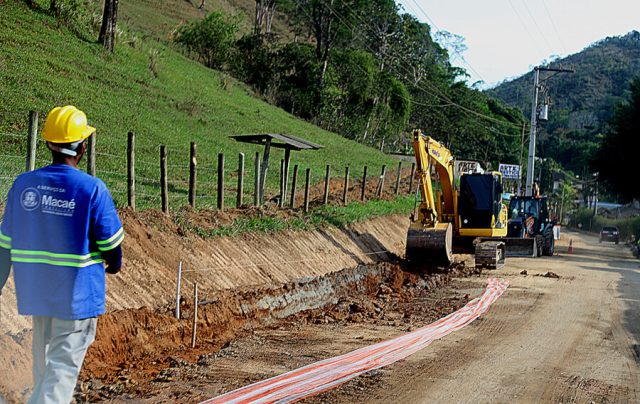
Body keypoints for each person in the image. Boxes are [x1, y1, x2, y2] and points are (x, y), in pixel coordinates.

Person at [0, 106, 124, 403]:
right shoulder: (92, 189)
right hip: (76, 297)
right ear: (82, 148)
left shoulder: (23, 185)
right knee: (61, 373)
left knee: (45, 370)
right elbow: (110, 245)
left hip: (37, 295)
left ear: (48, 144)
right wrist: (115, 264)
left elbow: (5, 244)